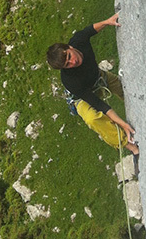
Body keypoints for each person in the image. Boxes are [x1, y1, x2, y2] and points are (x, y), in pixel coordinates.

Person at [46, 13, 139, 157]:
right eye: (67, 64)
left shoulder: (78, 40)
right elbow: (99, 104)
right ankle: (130, 146)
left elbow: (90, 30)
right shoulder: (69, 80)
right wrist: (122, 124)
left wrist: (107, 21)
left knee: (124, 89)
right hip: (82, 98)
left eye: (69, 56)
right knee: (92, 118)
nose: (73, 62)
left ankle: (138, 113)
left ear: (70, 47)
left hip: (99, 78)